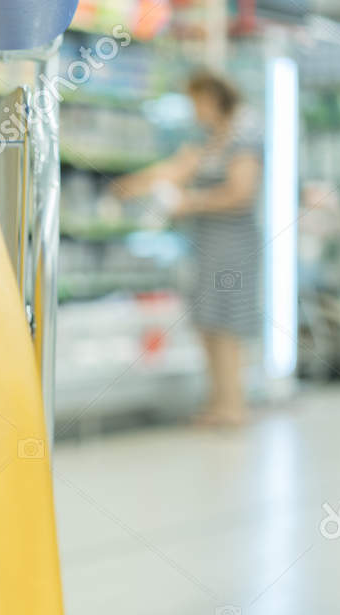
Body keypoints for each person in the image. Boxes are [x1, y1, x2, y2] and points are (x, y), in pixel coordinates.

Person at [114, 69, 263, 427]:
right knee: (208, 321)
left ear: (212, 99)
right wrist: (132, 184)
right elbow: (175, 170)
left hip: (233, 246)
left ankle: (233, 405)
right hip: (208, 244)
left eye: (195, 101)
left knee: (226, 323)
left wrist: (189, 203)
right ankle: (218, 402)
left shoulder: (244, 139)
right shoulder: (209, 141)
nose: (192, 109)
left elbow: (241, 193)